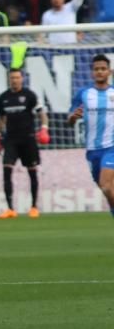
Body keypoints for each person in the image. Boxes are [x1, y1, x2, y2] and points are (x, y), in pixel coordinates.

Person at [0, 68, 48, 219]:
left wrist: (44, 129)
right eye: (12, 78)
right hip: (11, 139)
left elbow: (41, 114)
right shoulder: (4, 97)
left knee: (32, 172)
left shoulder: (29, 95)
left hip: (28, 139)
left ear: (22, 79)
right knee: (6, 170)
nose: (15, 80)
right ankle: (10, 209)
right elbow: (1, 118)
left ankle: (34, 207)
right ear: (9, 79)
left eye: (17, 77)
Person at [68, 54, 114, 218]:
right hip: (92, 150)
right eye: (96, 69)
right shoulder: (83, 94)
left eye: (103, 69)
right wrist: (73, 117)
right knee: (106, 189)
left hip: (111, 147)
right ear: (92, 73)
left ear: (109, 71)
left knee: (107, 186)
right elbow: (70, 119)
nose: (99, 72)